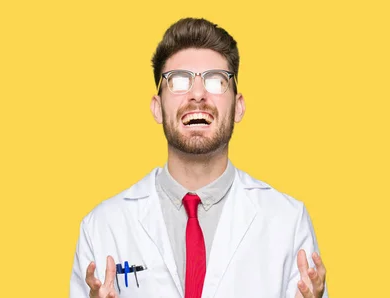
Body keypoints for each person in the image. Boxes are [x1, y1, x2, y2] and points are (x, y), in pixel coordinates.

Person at [69, 17, 328, 298]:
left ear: (238, 107)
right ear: (157, 108)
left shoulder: (287, 221)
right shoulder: (103, 226)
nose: (197, 94)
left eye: (216, 81)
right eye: (178, 81)